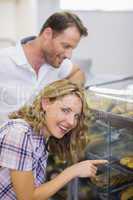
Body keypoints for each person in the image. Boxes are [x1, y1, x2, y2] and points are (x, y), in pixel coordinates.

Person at [0, 79, 108, 200]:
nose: (71, 122)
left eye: (76, 116)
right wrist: (72, 171)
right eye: (65, 110)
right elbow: (27, 198)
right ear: (46, 103)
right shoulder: (20, 134)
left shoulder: (41, 136)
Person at [0, 11, 88, 124]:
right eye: (65, 46)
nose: (69, 55)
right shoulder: (4, 61)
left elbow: (78, 73)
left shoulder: (58, 62)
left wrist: (65, 97)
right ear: (47, 34)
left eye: (72, 48)